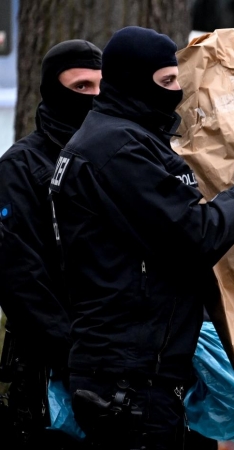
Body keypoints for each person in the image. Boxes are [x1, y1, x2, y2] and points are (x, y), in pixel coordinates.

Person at [49, 26, 234, 450]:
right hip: (128, 376)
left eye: (176, 79)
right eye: (166, 82)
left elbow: (166, 222)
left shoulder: (126, 138)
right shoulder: (117, 148)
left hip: (136, 371)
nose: (176, 91)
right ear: (130, 80)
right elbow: (188, 237)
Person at [0, 39, 103, 449]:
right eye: (81, 87)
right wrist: (76, 356)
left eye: (101, 88)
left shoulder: (118, 157)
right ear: (52, 89)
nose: (94, 98)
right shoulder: (21, 167)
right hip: (54, 374)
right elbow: (19, 277)